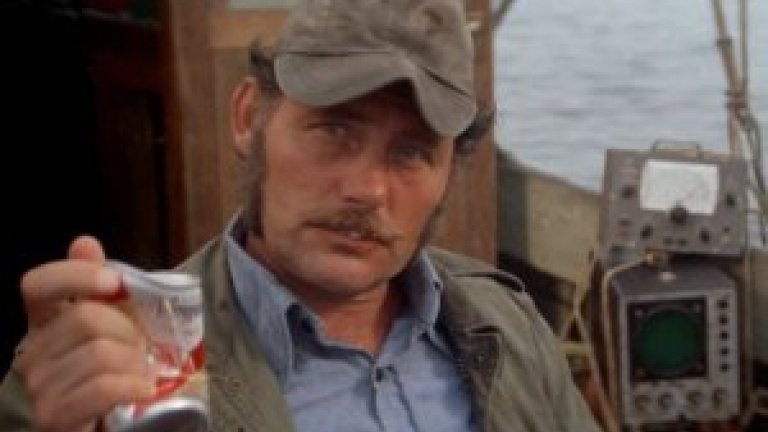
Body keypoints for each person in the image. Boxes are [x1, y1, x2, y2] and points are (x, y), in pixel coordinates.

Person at [0, 0, 603, 431]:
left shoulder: (509, 326)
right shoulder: (130, 362)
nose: (367, 189)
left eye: (412, 151)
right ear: (248, 117)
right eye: (335, 129)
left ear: (450, 171)